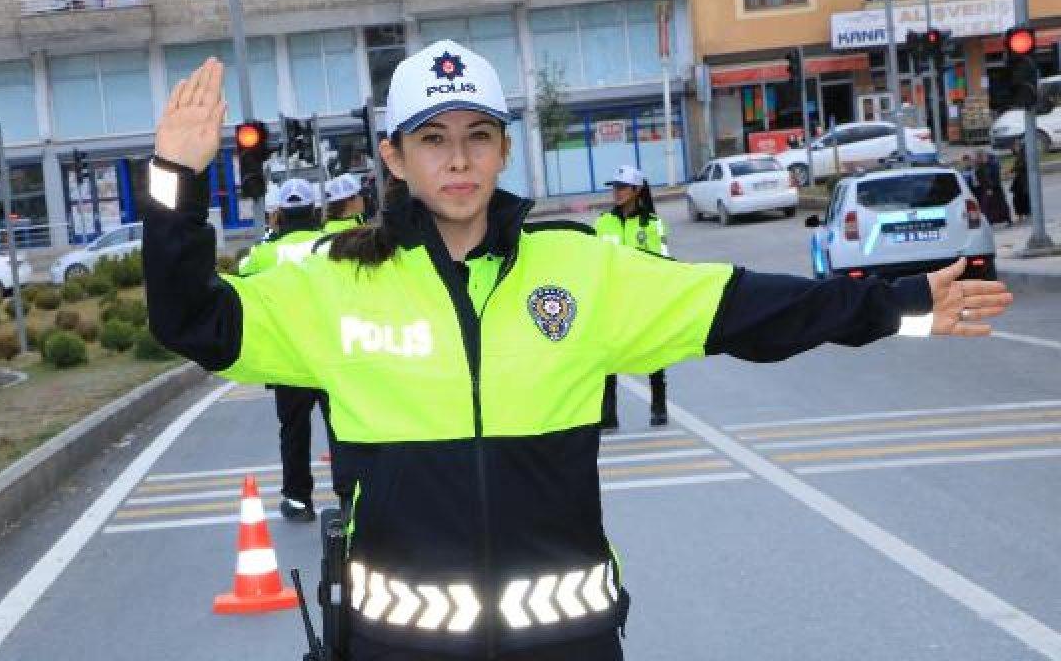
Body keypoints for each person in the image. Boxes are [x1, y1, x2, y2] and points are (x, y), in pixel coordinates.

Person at [144, 42, 1011, 661]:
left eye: (476, 136)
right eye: (433, 139)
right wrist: (175, 178)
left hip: (567, 641)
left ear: (503, 149)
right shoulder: (336, 284)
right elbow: (193, 321)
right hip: (397, 645)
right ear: (394, 157)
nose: (458, 160)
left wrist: (898, 305)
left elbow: (742, 307)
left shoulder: (579, 269)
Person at [235, 177, 334, 523]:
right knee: (343, 428)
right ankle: (351, 494)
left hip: (289, 358)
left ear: (279, 214)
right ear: (314, 211)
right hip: (333, 357)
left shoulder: (265, 253)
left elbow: (242, 280)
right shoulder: (331, 244)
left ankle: (298, 500)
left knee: (293, 430)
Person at [595, 165, 670, 428]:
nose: (616, 192)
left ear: (637, 191)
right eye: (614, 187)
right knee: (608, 356)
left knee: (654, 353)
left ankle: (659, 407)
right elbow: (595, 259)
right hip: (612, 298)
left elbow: (662, 260)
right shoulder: (604, 222)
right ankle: (608, 414)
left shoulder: (652, 223)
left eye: (622, 187)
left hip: (644, 298)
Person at [974, 149, 1013, 227]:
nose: (977, 159)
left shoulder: (992, 164)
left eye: (979, 157)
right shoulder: (982, 165)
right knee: (988, 206)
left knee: (999, 205)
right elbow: (981, 176)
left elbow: (994, 177)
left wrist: (990, 187)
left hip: (994, 189)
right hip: (987, 188)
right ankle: (990, 221)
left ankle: (1007, 220)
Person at [1010, 138, 1031, 223]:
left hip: (1023, 180)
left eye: (1016, 145)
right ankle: (1021, 214)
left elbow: (1023, 165)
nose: (1014, 147)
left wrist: (1012, 169)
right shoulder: (1019, 154)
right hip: (1019, 179)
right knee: (1018, 197)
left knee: (1022, 197)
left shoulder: (1024, 154)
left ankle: (1025, 214)